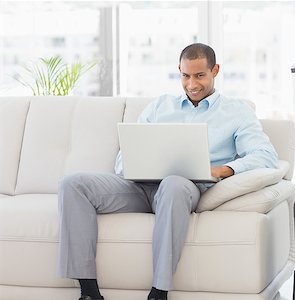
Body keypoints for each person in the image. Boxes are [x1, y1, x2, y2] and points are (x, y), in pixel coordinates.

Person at [57, 43, 278, 300]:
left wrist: (223, 169)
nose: (192, 84)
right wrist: (137, 164)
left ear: (215, 71)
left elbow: (266, 156)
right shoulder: (160, 106)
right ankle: (89, 292)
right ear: (179, 72)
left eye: (200, 76)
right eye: (186, 76)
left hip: (184, 188)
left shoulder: (236, 111)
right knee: (73, 184)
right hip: (140, 187)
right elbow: (123, 159)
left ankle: (159, 292)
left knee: (173, 183)